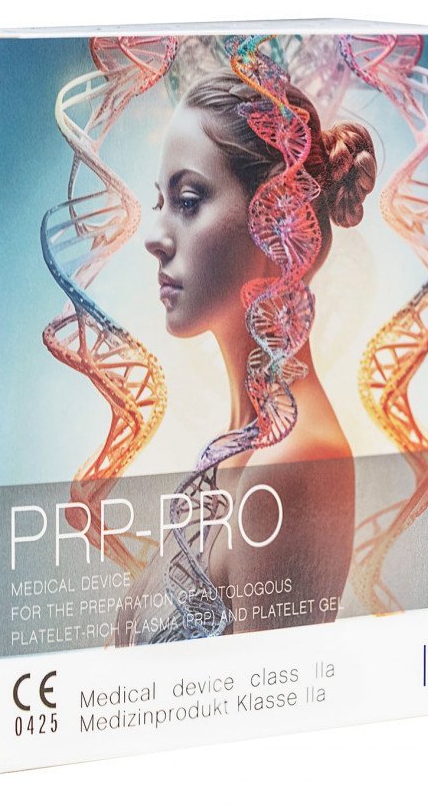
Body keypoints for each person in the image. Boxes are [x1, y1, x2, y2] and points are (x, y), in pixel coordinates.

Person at [116, 71, 378, 644]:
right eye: (161, 201)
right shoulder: (236, 448)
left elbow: (274, 695)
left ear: (278, 219)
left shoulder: (295, 464)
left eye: (188, 201)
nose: (155, 235)